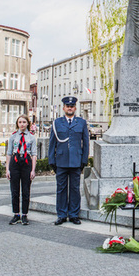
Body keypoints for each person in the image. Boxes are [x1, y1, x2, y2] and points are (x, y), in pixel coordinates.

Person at [48, 96, 90, 225]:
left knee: (75, 189)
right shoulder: (57, 123)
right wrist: (52, 160)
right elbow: (52, 143)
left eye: (72, 106)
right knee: (61, 189)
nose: (70, 108)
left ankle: (73, 215)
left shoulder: (81, 123)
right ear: (63, 108)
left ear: (75, 108)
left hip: (76, 161)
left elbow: (86, 143)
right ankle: (61, 215)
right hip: (61, 161)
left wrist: (84, 160)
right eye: (68, 106)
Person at [6, 114, 37, 225]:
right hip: (15, 162)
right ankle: (16, 214)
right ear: (17, 124)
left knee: (26, 191)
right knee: (14, 191)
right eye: (20, 122)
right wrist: (7, 169)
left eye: (24, 122)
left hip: (26, 162)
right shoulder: (13, 136)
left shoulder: (31, 137)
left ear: (28, 123)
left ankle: (24, 214)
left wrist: (33, 170)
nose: (22, 124)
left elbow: (34, 155)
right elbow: (9, 153)